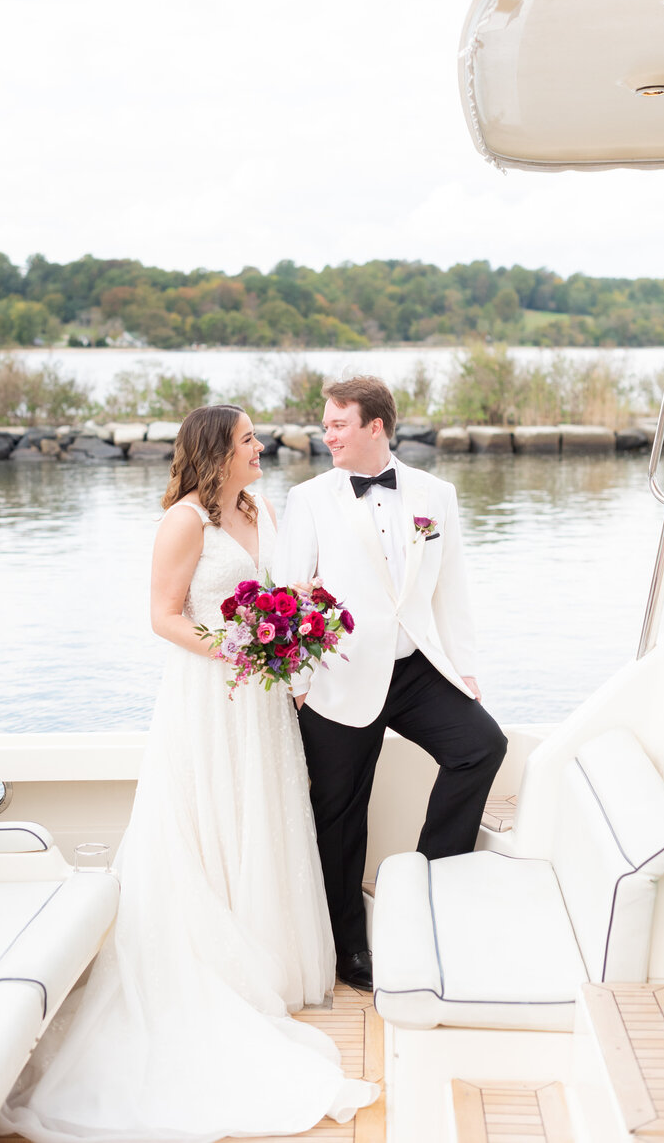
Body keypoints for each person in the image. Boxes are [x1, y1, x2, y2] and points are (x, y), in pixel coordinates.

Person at [0, 405, 378, 1142]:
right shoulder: (183, 523)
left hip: (262, 702)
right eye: (246, 440)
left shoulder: (260, 506)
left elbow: (286, 591)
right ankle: (217, 967)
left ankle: (273, 960)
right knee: (208, 821)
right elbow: (163, 616)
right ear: (216, 451)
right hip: (210, 695)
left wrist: (297, 627)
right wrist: (235, 649)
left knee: (261, 816)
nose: (259, 446)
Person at [272, 376, 507, 993]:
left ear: (375, 426)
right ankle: (349, 949)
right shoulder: (310, 498)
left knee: (482, 746)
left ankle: (429, 887)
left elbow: (450, 588)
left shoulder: (436, 494)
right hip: (338, 676)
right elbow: (290, 594)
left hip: (417, 670)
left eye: (338, 425)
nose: (327, 435)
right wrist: (298, 680)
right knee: (340, 814)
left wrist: (464, 666)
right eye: (326, 425)